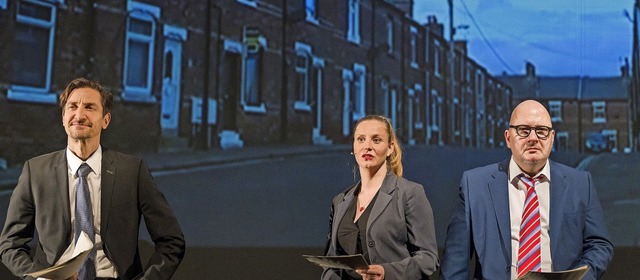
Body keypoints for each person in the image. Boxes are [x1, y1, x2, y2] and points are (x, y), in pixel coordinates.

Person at [0, 78, 186, 280]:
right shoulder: (35, 171)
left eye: (89, 107)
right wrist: (37, 278)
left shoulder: (132, 171)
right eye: (72, 107)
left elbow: (171, 241)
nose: (79, 115)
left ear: (106, 120)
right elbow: (10, 244)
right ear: (63, 117)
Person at [440, 100, 613, 280]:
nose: (533, 138)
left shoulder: (580, 183)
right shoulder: (474, 185)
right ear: (508, 138)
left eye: (541, 131)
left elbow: (599, 245)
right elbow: (455, 260)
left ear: (551, 138)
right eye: (523, 130)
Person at [322, 115, 439, 280]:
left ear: (390, 148)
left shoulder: (410, 193)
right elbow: (331, 263)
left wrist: (387, 273)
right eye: (361, 139)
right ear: (353, 147)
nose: (367, 146)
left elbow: (428, 258)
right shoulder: (340, 201)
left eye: (376, 140)